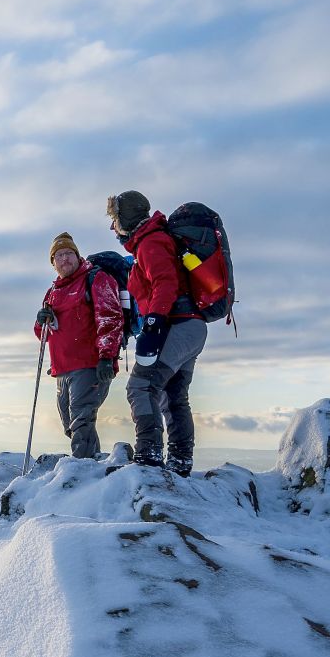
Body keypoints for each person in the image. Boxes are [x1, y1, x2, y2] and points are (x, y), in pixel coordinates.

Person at [109, 190, 205, 476]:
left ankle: (149, 456)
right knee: (173, 394)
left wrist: (153, 323)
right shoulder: (154, 240)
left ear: (126, 218)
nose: (113, 226)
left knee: (141, 386)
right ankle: (179, 461)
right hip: (190, 327)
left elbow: (165, 283)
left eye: (114, 219)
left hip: (177, 324)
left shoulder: (151, 243)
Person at [33, 232, 123, 460]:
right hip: (62, 369)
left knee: (81, 421)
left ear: (77, 255)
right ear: (53, 263)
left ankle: (80, 474)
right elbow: (42, 334)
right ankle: (91, 465)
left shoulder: (96, 278)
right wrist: (40, 319)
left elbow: (110, 317)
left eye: (69, 253)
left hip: (90, 365)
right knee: (71, 425)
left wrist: (106, 356)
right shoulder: (52, 292)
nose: (65, 259)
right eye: (59, 255)